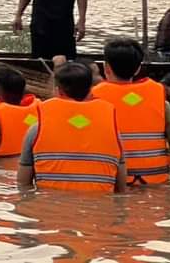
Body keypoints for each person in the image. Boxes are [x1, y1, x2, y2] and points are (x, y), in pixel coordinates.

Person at [92, 38, 170, 182]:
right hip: (155, 186)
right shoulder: (160, 101)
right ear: (138, 69)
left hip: (113, 185)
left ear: (106, 67)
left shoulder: (94, 100)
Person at [17, 61, 127, 193]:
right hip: (98, 209)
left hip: (49, 208)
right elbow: (121, 190)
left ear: (58, 91)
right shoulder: (113, 132)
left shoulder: (36, 130)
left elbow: (23, 185)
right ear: (90, 91)